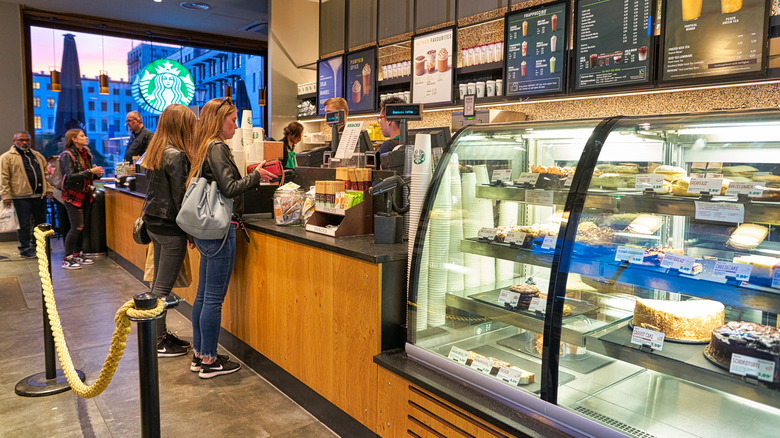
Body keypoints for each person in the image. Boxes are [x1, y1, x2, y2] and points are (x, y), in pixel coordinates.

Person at [188, 98, 275, 378]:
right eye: (232, 119)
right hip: (220, 229)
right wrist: (257, 176)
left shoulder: (203, 146)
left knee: (203, 295)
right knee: (213, 299)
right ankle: (210, 362)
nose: (236, 124)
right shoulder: (217, 147)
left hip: (205, 229)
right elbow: (229, 187)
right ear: (218, 120)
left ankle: (200, 354)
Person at [141, 104, 196, 357]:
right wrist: (192, 232)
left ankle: (160, 335)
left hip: (154, 223)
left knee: (157, 284)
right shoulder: (177, 155)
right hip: (171, 227)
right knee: (163, 288)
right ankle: (157, 340)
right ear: (181, 126)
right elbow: (181, 199)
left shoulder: (158, 150)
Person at [0, 131, 53, 258]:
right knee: (23, 224)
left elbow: (46, 175)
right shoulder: (7, 157)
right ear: (15, 141)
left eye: (27, 140)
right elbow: (3, 178)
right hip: (20, 196)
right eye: (21, 140)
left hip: (39, 196)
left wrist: (49, 189)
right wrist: (6, 195)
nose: (25, 142)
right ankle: (25, 248)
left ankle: (39, 246)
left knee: (40, 222)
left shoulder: (37, 156)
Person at [60, 129, 104, 270]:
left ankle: (77, 254)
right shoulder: (67, 155)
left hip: (85, 194)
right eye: (82, 136)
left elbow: (88, 175)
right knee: (76, 227)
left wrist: (97, 173)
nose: (85, 138)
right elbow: (70, 177)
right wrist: (91, 172)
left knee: (81, 227)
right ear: (74, 139)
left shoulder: (86, 154)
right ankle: (67, 258)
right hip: (73, 195)